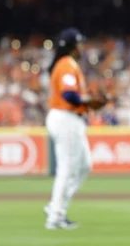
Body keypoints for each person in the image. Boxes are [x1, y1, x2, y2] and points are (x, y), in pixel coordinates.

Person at [44, 28, 108, 230]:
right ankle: (55, 216)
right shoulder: (66, 65)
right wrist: (89, 101)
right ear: (71, 46)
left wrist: (88, 102)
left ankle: (56, 205)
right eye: (79, 43)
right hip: (66, 118)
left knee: (84, 165)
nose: (82, 47)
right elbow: (69, 95)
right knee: (67, 168)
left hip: (70, 118)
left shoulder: (69, 65)